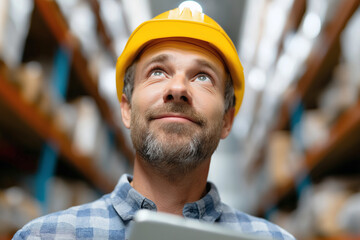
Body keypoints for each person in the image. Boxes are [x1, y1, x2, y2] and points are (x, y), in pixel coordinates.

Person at [13, 6, 295, 240]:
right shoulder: (44, 236)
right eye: (158, 72)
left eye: (202, 77)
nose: (178, 88)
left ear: (226, 120)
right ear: (126, 108)